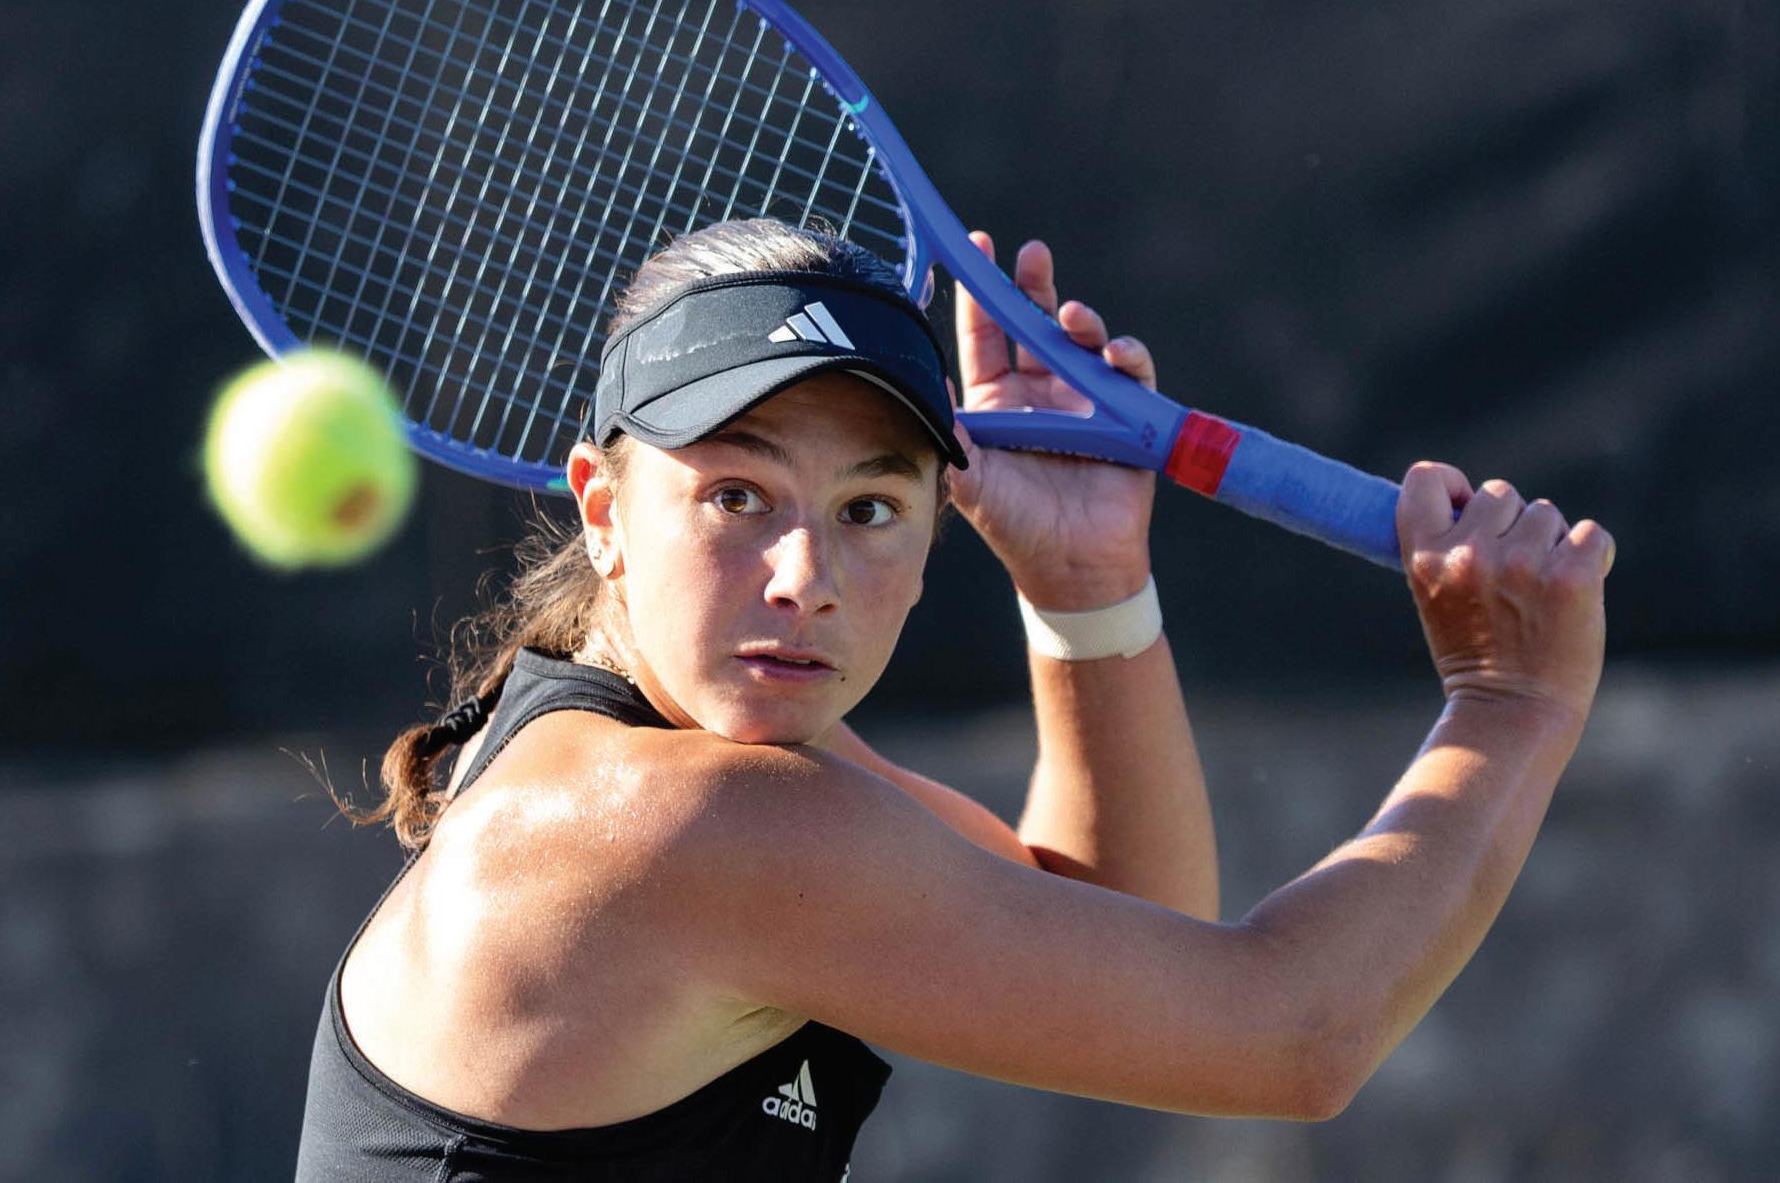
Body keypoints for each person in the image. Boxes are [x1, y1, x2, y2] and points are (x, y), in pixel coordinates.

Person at [293, 217, 1613, 1180]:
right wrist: (1510, 701)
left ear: (934, 532)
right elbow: (1292, 1034)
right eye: (737, 495)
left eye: (868, 507)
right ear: (602, 506)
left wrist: (1086, 591)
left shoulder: (690, 772)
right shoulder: (678, 820)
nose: (805, 576)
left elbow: (1128, 933)